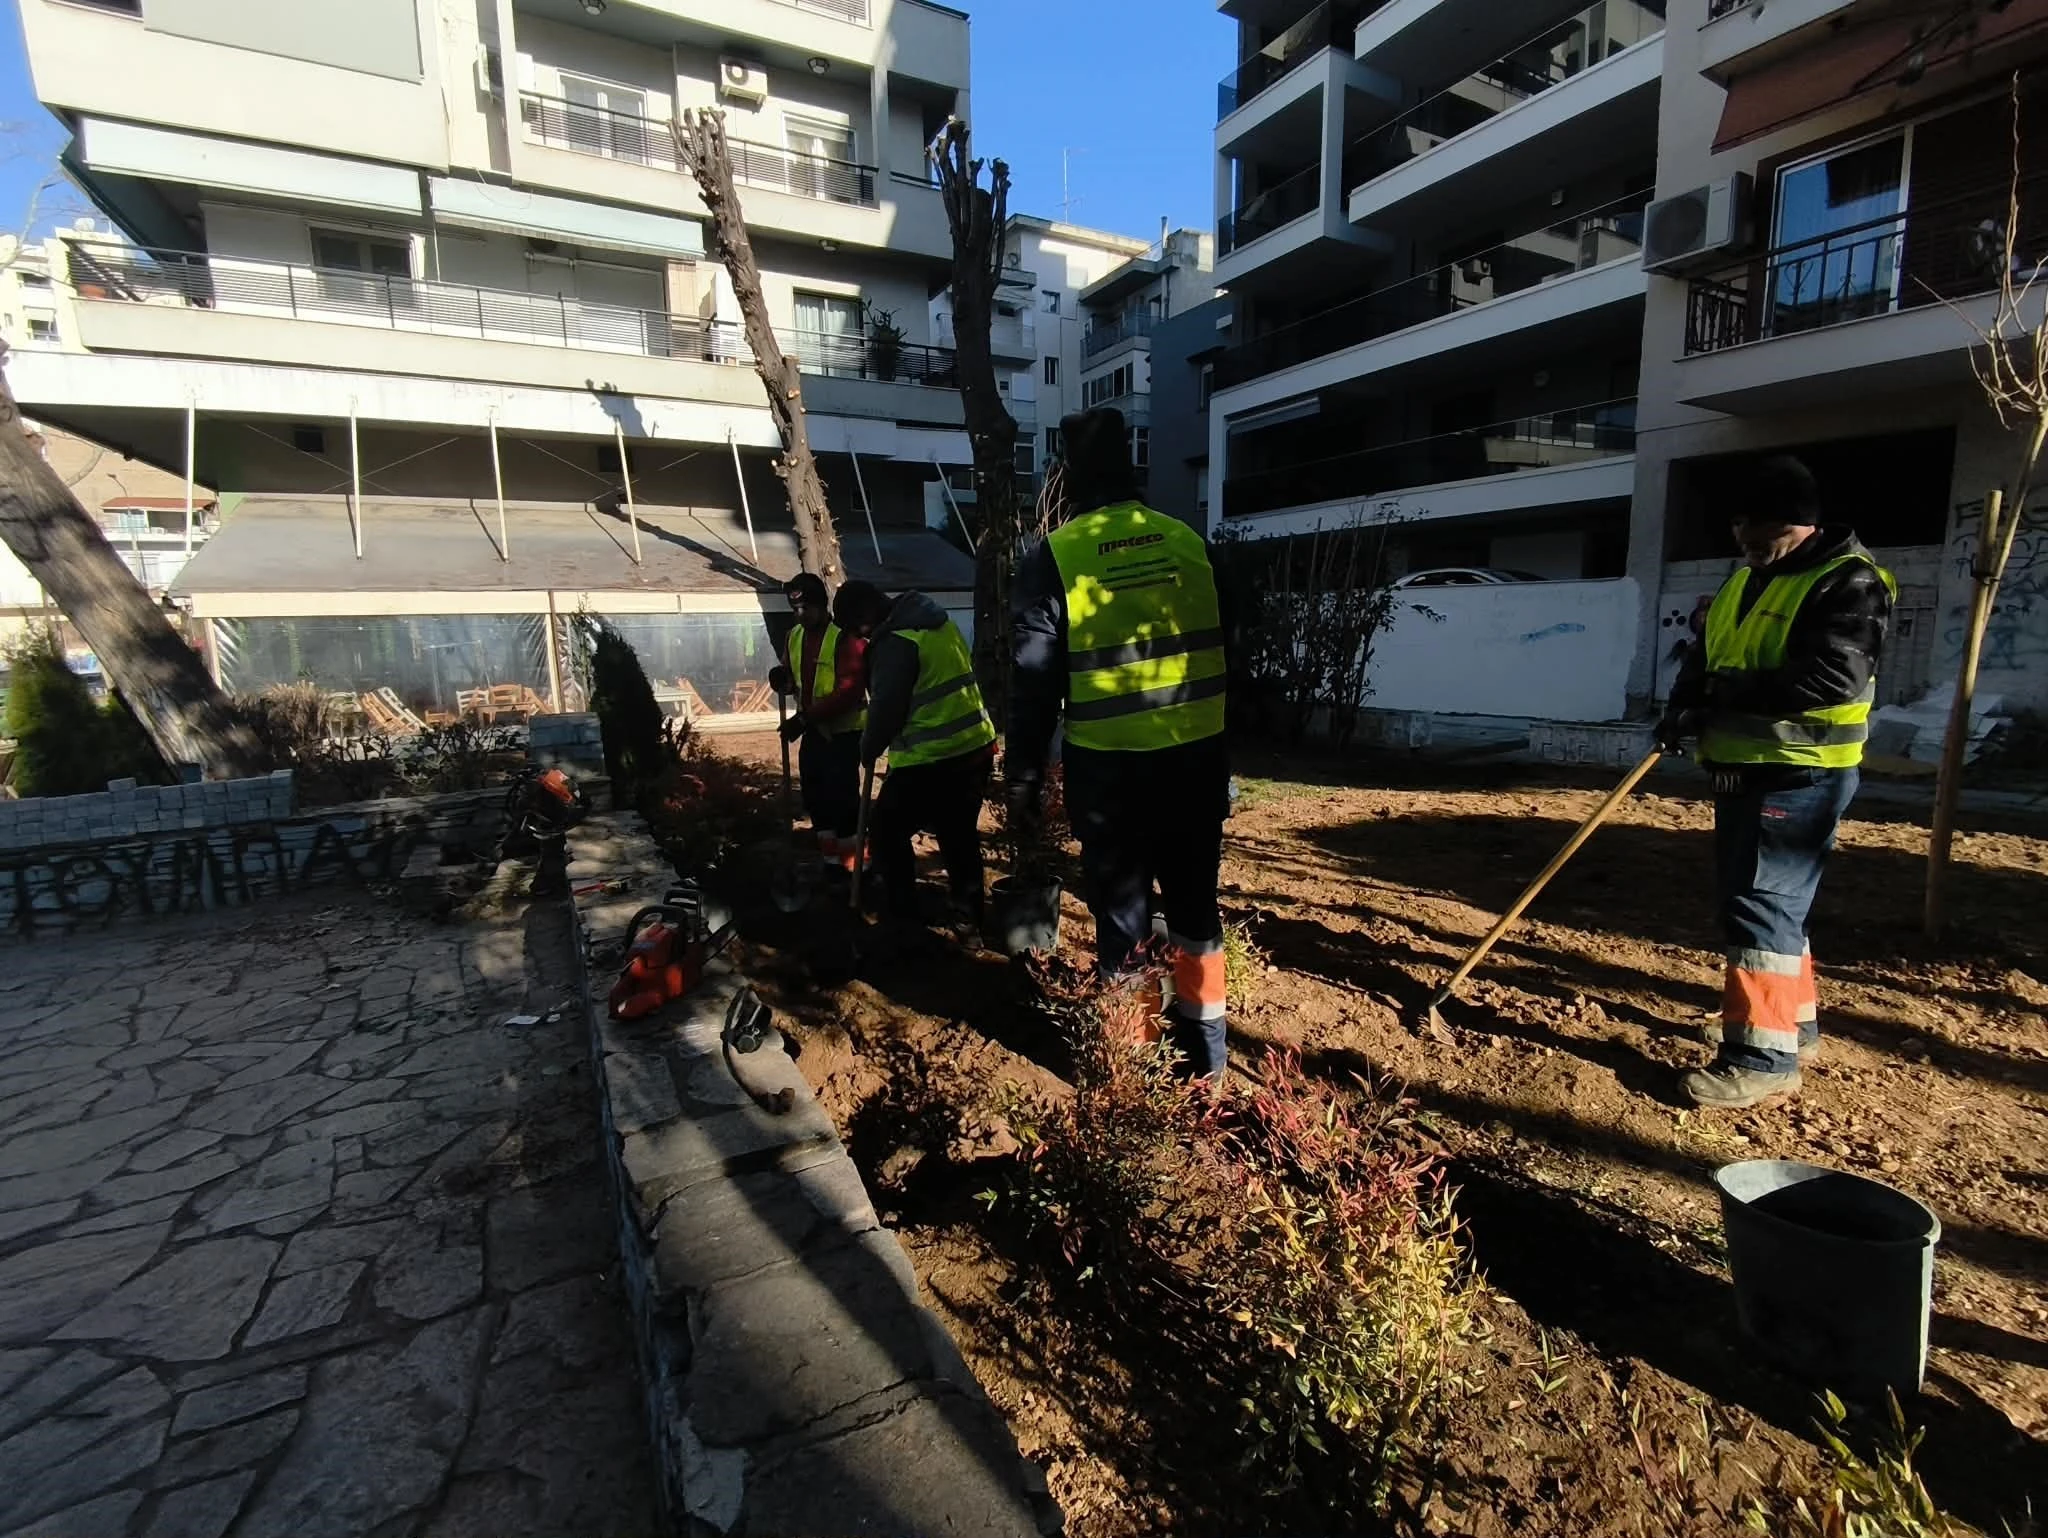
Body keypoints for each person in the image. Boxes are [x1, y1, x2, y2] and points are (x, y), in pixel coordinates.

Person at [1659, 455, 1894, 1110]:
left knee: (1761, 903)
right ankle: (1794, 1025)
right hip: (1742, 767)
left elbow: (1831, 681)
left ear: (1804, 524)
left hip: (1797, 772)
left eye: (1766, 536)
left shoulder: (1849, 582)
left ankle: (1761, 1059)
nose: (1753, 548)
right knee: (1772, 902)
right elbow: (1707, 655)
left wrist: (1722, 697)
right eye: (1743, 534)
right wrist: (1682, 707)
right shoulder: (1745, 580)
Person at [1007, 408, 1232, 1080]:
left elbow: (1032, 687)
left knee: (1124, 922)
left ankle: (1132, 1068)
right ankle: (1208, 1059)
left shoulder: (1057, 557)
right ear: (1132, 475)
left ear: (1069, 480)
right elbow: (1232, 651)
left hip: (1110, 780)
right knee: (1195, 911)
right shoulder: (1189, 543)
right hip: (1195, 766)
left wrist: (1022, 781)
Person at [833, 579, 996, 933]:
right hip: (974, 748)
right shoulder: (937, 622)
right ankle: (969, 923)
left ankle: (903, 920)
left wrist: (868, 748)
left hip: (932, 760)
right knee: (959, 836)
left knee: (886, 833)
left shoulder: (895, 642)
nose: (858, 639)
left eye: (854, 629)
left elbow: (887, 709)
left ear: (864, 616)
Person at [770, 573, 868, 879]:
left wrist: (803, 719)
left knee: (844, 804)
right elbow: (791, 678)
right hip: (813, 732)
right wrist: (780, 679)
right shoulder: (794, 637)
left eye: (805, 609)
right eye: (794, 609)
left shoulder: (844, 637)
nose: (799, 615)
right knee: (816, 800)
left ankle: (857, 871)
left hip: (844, 735)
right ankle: (832, 866)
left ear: (820, 605)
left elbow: (849, 691)